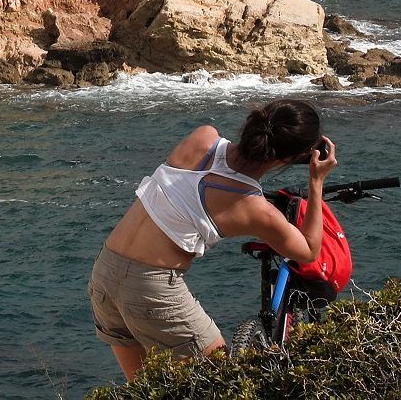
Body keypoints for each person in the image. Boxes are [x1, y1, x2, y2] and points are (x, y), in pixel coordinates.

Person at [88, 99, 337, 381]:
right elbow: (308, 250)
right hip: (151, 288)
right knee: (221, 380)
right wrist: (316, 181)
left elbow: (208, 183)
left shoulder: (203, 136)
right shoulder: (252, 208)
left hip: (105, 272)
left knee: (141, 389)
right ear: (293, 158)